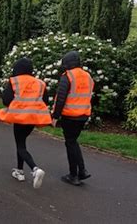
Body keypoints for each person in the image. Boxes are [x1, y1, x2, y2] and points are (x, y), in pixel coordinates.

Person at [0, 58, 51, 189]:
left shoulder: (15, 81)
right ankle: (19, 171)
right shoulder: (40, 83)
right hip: (33, 118)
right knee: (21, 143)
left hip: (20, 117)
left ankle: (35, 169)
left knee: (20, 145)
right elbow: (46, 100)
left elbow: (6, 100)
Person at [52, 51, 94, 186]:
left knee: (70, 143)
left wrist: (55, 116)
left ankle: (73, 175)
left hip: (70, 116)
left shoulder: (67, 76)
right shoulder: (88, 76)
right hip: (83, 115)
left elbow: (61, 98)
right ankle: (82, 171)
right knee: (73, 142)